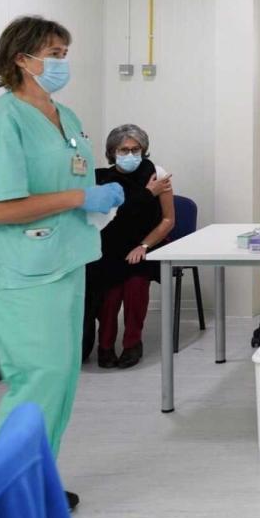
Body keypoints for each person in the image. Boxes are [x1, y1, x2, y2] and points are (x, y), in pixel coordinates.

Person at [0, 16, 125, 510]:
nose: (62, 62)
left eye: (64, 53)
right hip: (21, 272)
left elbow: (70, 173)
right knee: (36, 383)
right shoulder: (0, 123)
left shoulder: (64, 115)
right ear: (22, 59)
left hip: (66, 259)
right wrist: (78, 197)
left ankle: (33, 483)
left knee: (58, 381)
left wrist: (96, 199)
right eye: (54, 53)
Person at [88, 124, 174, 369]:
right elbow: (112, 215)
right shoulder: (101, 179)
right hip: (109, 246)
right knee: (110, 293)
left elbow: (168, 220)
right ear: (112, 152)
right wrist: (147, 193)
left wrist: (144, 246)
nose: (130, 155)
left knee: (136, 286)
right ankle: (105, 345)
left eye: (136, 149)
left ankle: (132, 343)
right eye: (123, 150)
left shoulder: (156, 174)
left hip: (146, 244)